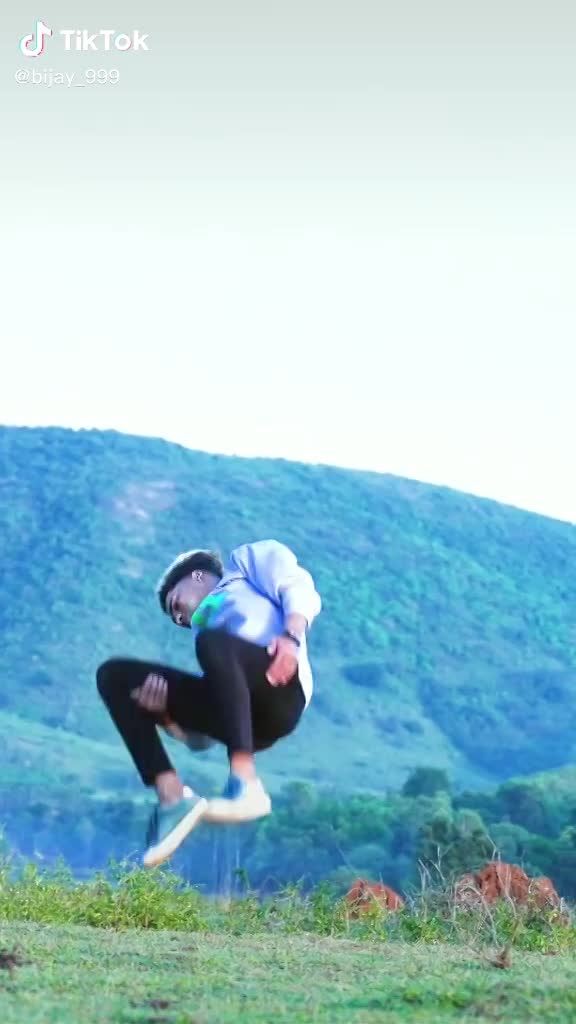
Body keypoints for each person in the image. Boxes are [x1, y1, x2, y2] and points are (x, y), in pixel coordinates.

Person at [96, 539, 322, 867]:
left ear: (197, 576)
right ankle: (172, 797)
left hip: (280, 688)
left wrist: (291, 639)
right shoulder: (207, 635)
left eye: (175, 604)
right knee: (114, 676)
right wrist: (166, 718)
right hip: (243, 719)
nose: (178, 618)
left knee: (211, 641)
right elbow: (202, 742)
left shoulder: (243, 567)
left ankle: (245, 783)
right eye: (174, 617)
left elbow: (297, 585)